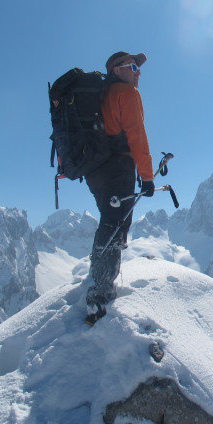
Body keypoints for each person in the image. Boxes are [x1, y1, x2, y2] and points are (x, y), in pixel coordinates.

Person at [84, 51, 155, 325]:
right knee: (115, 226)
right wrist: (146, 176)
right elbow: (137, 135)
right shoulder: (127, 93)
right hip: (117, 168)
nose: (138, 72)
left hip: (95, 169)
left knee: (109, 221)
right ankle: (100, 294)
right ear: (116, 69)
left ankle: (98, 275)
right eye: (133, 66)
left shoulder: (102, 94)